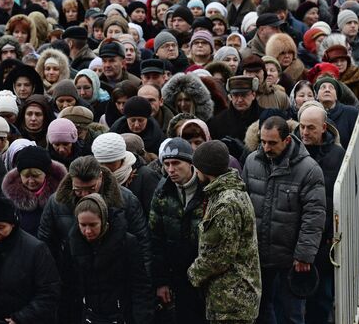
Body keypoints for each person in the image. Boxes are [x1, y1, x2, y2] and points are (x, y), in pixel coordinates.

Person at [242, 116, 325, 324]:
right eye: (263, 142)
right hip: (258, 256)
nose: (266, 147)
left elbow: (314, 215)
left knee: (290, 315)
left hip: (290, 259)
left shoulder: (309, 169)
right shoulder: (252, 162)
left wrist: (304, 255)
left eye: (272, 143)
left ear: (287, 140)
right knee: (260, 313)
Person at [187, 140, 261, 324]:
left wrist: (193, 273)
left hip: (231, 300)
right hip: (234, 295)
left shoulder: (225, 203)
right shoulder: (231, 191)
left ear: (205, 169)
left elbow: (219, 256)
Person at [67, 193, 155, 324]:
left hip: (121, 314)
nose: (87, 231)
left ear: (104, 220)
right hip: (89, 315)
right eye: (83, 225)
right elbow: (70, 286)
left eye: (93, 225)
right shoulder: (73, 244)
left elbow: (140, 286)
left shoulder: (127, 243)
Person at [149, 138, 207, 324]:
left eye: (176, 163)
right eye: (166, 164)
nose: (171, 169)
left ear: (190, 163)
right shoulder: (162, 192)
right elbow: (156, 239)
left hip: (208, 275)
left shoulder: (208, 189)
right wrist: (161, 281)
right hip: (179, 276)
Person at [295, 104, 344, 324]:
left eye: (311, 128)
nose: (305, 132)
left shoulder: (337, 155)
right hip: (296, 237)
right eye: (302, 127)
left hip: (325, 240)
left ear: (323, 128)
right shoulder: (292, 153)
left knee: (322, 299)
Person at [2, 145, 67, 237]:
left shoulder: (61, 195)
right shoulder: (10, 197)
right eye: (26, 176)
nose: (31, 181)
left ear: (46, 174)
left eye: (36, 176)